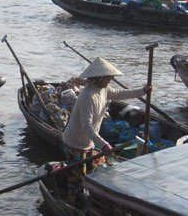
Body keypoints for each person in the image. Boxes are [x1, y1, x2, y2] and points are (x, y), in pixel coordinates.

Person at [62, 57, 151, 206]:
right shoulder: (87, 96)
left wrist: (142, 91)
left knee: (90, 175)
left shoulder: (103, 90)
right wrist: (103, 144)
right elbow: (86, 125)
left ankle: (88, 202)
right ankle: (75, 205)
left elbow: (121, 94)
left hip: (88, 143)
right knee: (77, 180)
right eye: (108, 78)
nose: (110, 80)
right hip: (75, 144)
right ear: (99, 78)